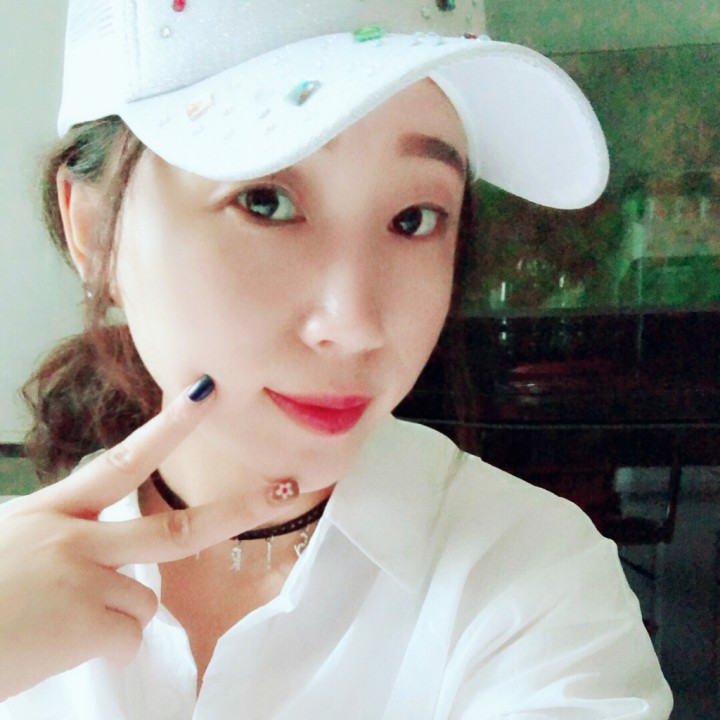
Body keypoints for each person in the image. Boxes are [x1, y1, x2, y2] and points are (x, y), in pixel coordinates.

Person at [0, 1, 672, 717]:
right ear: (93, 229)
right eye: (265, 201)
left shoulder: (529, 578)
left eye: (414, 218)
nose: (355, 326)